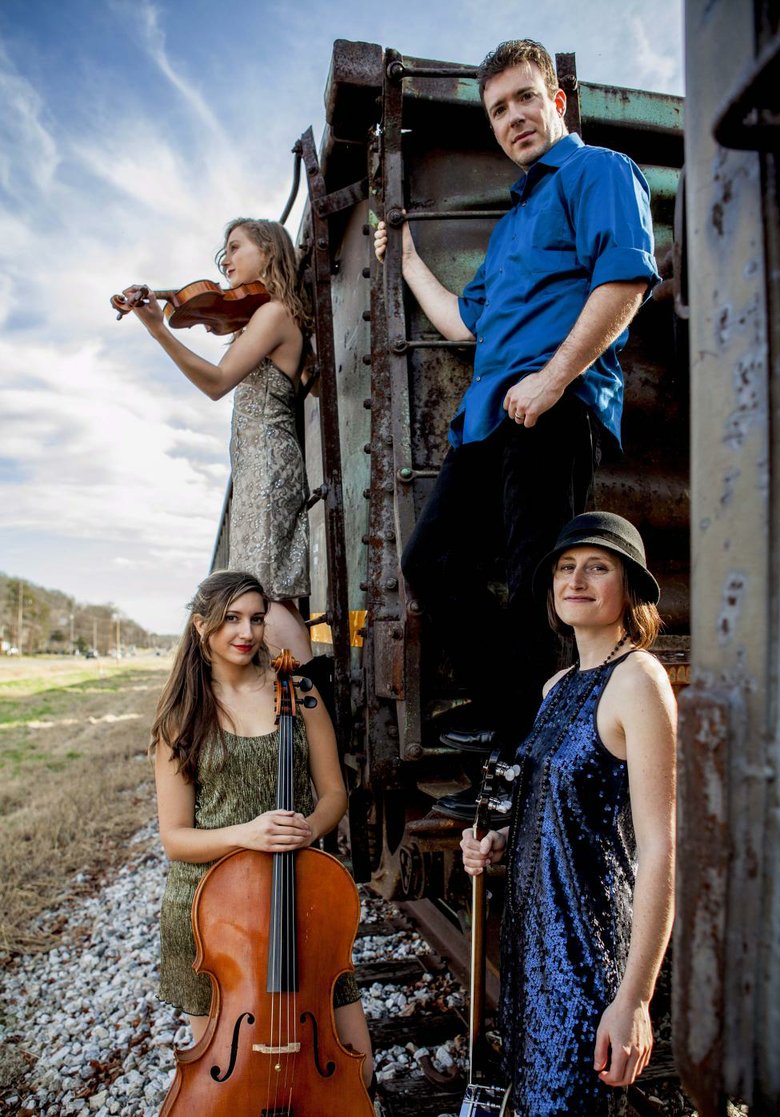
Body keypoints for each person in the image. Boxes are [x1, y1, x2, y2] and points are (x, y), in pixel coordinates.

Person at [374, 40, 660, 747]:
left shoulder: (599, 172)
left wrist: (554, 378)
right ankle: (515, 713)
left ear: (555, 99)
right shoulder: (508, 230)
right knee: (430, 561)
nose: (514, 118)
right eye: (498, 109)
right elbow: (461, 323)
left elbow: (623, 282)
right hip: (486, 421)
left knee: (541, 580)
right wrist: (405, 258)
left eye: (525, 98)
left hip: (558, 406)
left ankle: (530, 755)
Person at [460, 511, 676, 1116]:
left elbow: (660, 847)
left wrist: (634, 999)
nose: (576, 579)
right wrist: (498, 841)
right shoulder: (557, 686)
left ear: (629, 588)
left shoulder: (638, 679)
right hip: (533, 953)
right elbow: (556, 809)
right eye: (565, 567)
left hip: (588, 955)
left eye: (597, 567)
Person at [150, 570, 373, 1089]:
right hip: (210, 913)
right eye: (231, 619)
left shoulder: (298, 691)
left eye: (255, 618)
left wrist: (308, 829)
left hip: (297, 895)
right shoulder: (182, 715)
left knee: (356, 1070)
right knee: (230, 1079)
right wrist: (246, 835)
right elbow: (176, 838)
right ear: (202, 625)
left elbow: (334, 795)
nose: (246, 632)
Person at [122, 218, 313, 658]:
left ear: (267, 251)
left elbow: (216, 381)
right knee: (267, 591)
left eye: (234, 247)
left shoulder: (273, 312)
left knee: (267, 593)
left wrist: (158, 329)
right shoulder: (261, 315)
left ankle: (313, 710)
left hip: (268, 463)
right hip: (257, 465)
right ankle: (299, 708)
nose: (225, 259)